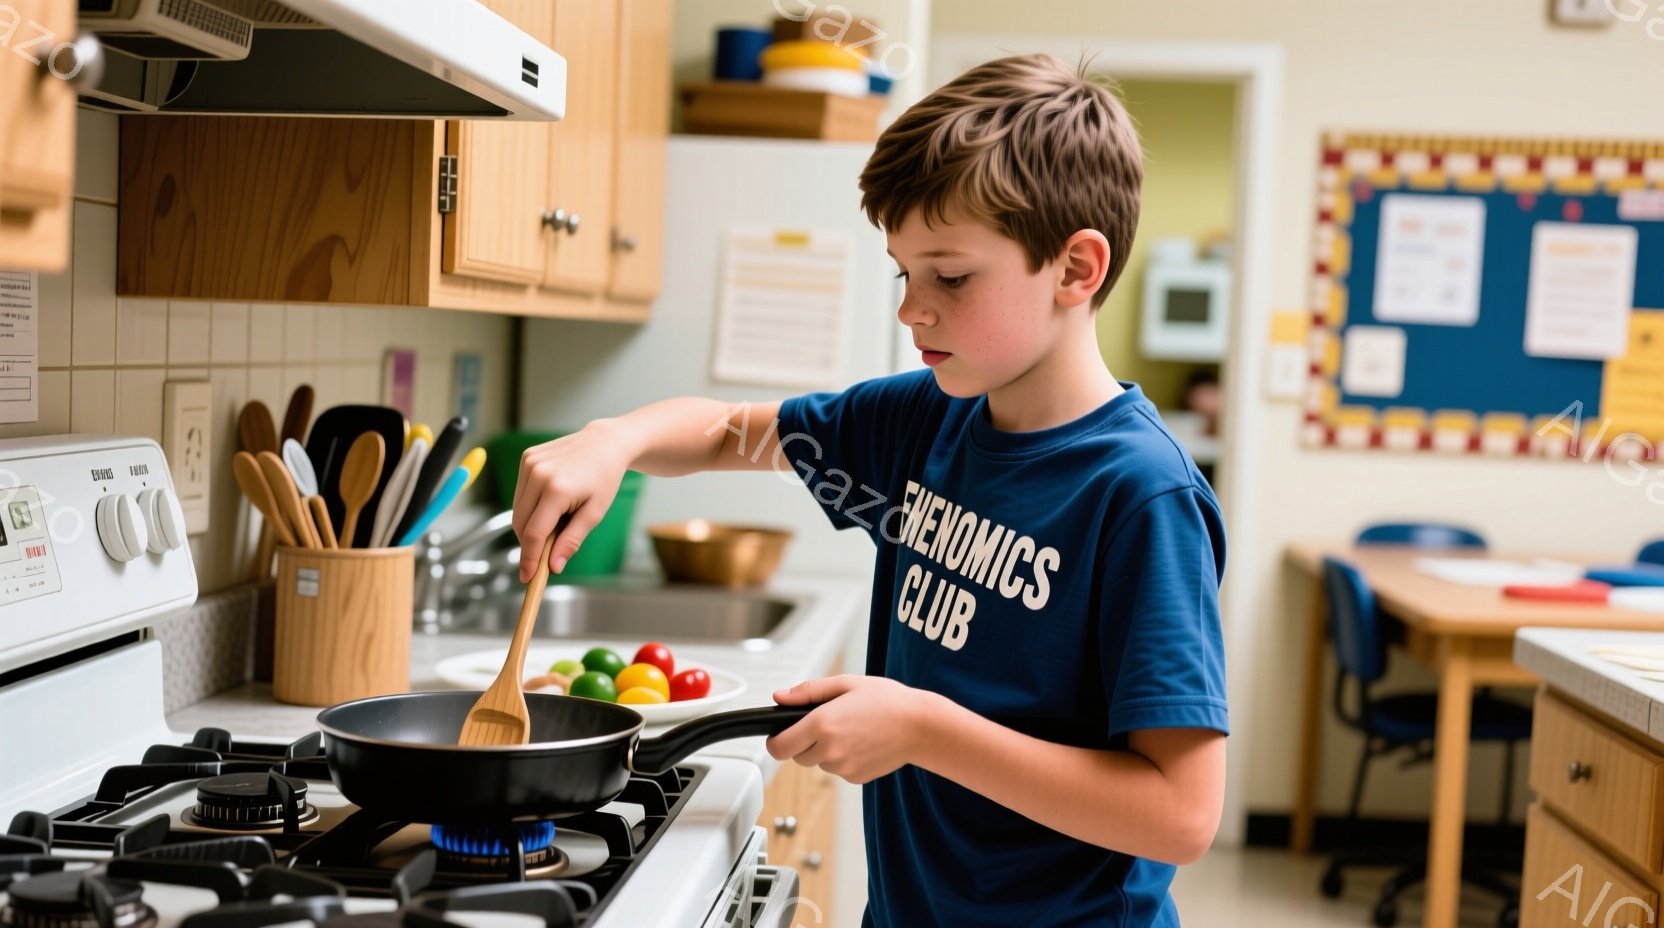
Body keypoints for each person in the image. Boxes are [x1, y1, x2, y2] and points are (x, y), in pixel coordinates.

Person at [512, 52, 1228, 927]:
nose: (911, 309)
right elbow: (728, 430)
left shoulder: (1141, 495)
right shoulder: (929, 418)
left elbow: (1180, 815)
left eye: (950, 276)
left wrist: (922, 730)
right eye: (904, 273)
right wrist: (613, 440)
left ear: (1076, 269)